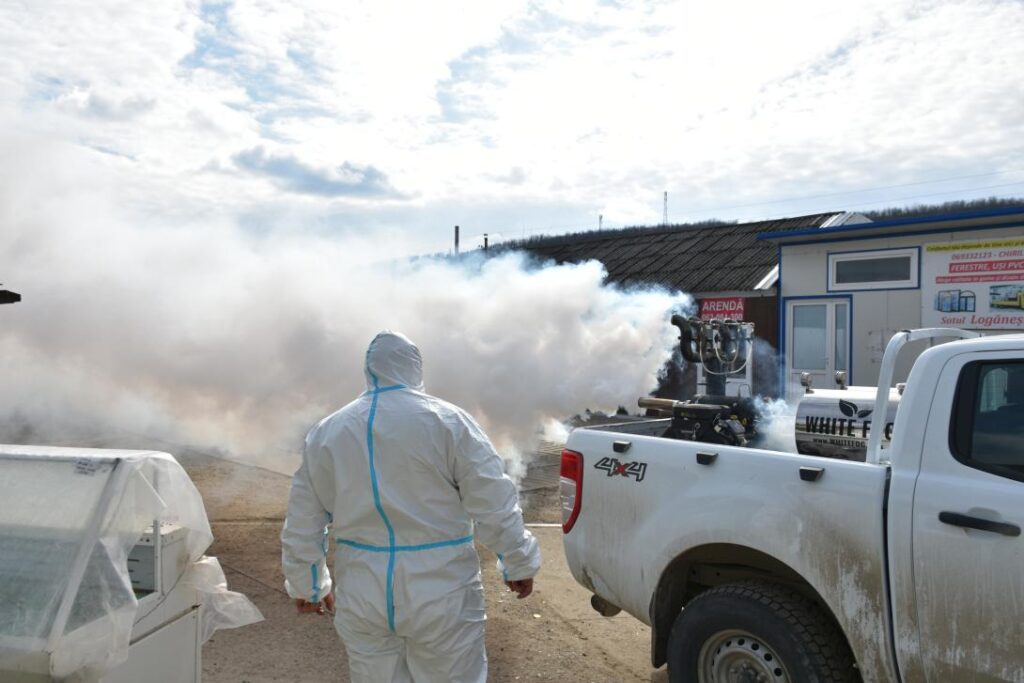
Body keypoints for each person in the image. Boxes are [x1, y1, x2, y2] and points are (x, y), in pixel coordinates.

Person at [281, 331, 541, 683]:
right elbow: (494, 501)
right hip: (442, 589)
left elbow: (303, 520)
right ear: (415, 369)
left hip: (363, 588)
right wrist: (518, 560)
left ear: (367, 370)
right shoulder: (450, 422)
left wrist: (308, 585)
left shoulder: (328, 432)